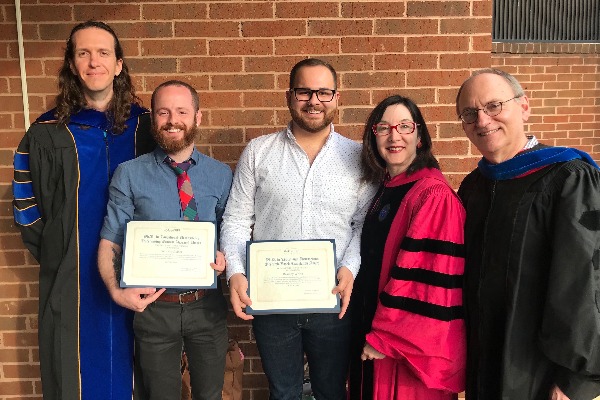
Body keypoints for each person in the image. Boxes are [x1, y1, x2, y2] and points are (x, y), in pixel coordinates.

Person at [12, 20, 155, 400]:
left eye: (103, 53)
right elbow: (27, 208)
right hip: (71, 278)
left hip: (139, 273)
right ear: (72, 65)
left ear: (119, 64)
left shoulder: (147, 128)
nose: (94, 62)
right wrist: (61, 253)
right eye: (83, 53)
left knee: (142, 368)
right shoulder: (46, 132)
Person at [220, 58, 376, 399]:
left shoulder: (357, 157)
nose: (314, 100)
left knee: (332, 391)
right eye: (305, 91)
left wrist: (350, 269)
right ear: (290, 96)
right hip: (273, 302)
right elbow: (235, 220)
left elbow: (363, 224)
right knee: (283, 393)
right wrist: (235, 271)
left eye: (324, 92)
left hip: (333, 300)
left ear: (337, 97)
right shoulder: (259, 152)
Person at [456, 68, 600, 400]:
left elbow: (584, 281)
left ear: (524, 106)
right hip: (485, 360)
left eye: (494, 105)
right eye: (469, 113)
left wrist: (572, 380)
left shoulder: (568, 179)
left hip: (541, 371)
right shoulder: (475, 186)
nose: (482, 120)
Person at [97, 80, 232, 400]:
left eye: (182, 111)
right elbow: (110, 240)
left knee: (211, 395)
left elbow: (233, 232)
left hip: (207, 307)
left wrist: (226, 256)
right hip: (154, 309)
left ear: (197, 117)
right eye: (163, 112)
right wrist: (116, 291)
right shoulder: (128, 174)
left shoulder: (221, 174)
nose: (173, 120)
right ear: (153, 119)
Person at [347, 95, 466, 400]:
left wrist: (385, 336)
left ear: (420, 136)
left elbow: (427, 281)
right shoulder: (385, 188)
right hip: (371, 336)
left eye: (404, 126)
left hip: (402, 352)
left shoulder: (432, 196)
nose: (394, 135)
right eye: (383, 128)